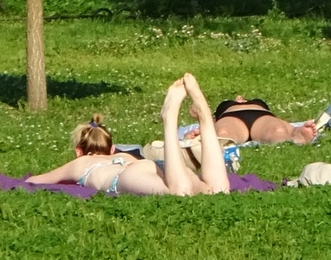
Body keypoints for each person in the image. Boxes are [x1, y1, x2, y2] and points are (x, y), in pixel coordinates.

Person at [27, 75, 232, 196]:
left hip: (127, 177)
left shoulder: (80, 164)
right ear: (113, 148)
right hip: (152, 167)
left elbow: (36, 181)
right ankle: (205, 115)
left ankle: (169, 118)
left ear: (79, 151)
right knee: (219, 190)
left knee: (181, 193)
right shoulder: (123, 155)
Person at [208, 95, 319, 145]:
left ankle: (297, 135)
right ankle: (221, 145)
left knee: (278, 130)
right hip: (231, 117)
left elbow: (276, 119)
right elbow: (209, 122)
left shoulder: (257, 103)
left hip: (261, 116)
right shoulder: (224, 107)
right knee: (224, 133)